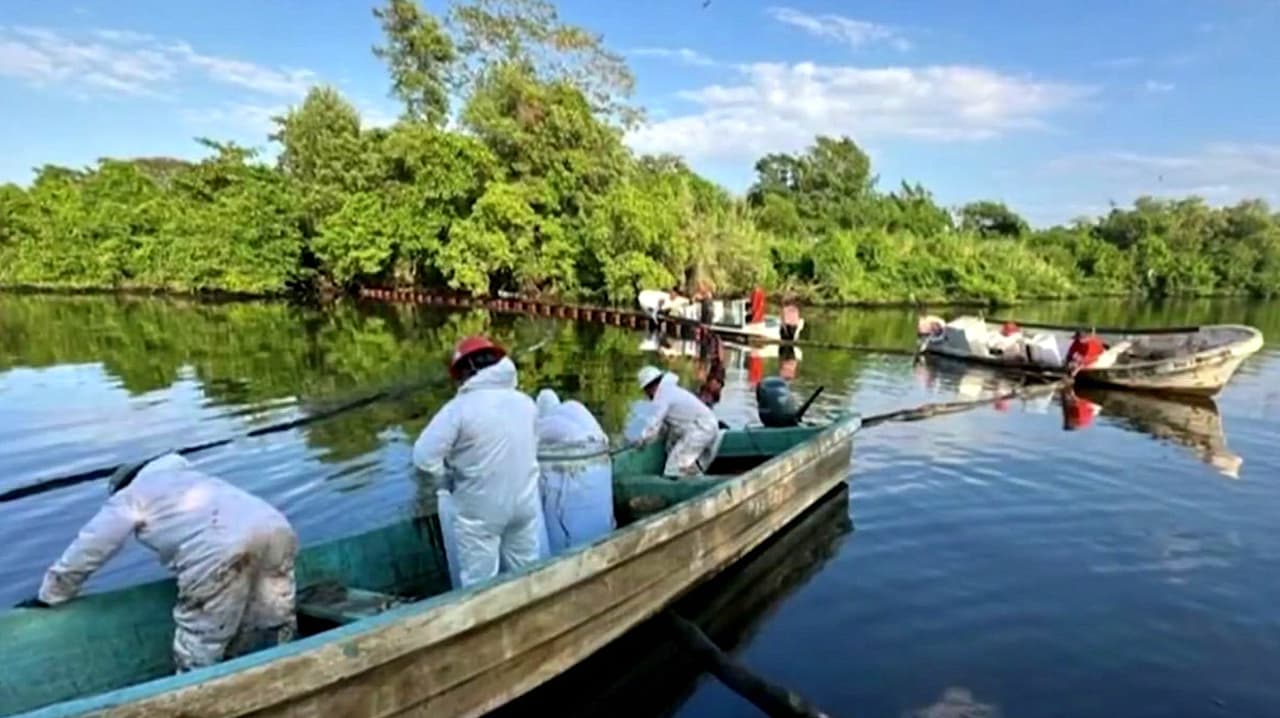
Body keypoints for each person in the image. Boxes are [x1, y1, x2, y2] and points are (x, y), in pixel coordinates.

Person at [23, 452, 298, 673]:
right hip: (277, 529)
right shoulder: (193, 478)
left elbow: (92, 547)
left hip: (216, 551)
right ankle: (284, 671)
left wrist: (52, 594)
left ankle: (198, 697)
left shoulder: (131, 496)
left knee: (202, 638)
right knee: (272, 615)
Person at [413, 336, 545, 588]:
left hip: (480, 513)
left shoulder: (459, 409)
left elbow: (422, 456)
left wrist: (444, 478)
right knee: (526, 571)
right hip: (525, 506)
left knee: (479, 583)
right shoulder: (526, 403)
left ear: (468, 371)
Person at [634, 365, 724, 478]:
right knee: (685, 465)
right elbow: (663, 426)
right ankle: (697, 482)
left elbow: (653, 425)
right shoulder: (670, 391)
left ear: (649, 388)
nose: (647, 395)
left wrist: (641, 440)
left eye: (645, 391)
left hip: (701, 429)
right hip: (706, 426)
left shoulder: (662, 396)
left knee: (673, 468)